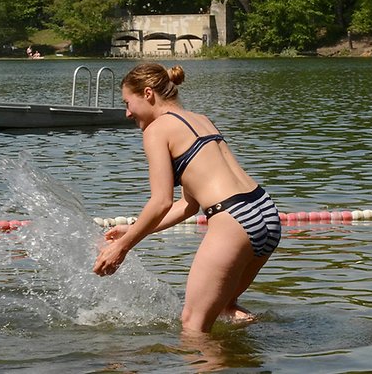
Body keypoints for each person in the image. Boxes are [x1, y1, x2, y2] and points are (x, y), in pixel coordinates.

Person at [92, 63, 281, 335]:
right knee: (226, 307)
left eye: (128, 103)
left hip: (233, 220)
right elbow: (188, 205)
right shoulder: (201, 118)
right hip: (264, 212)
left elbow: (161, 202)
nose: (127, 112)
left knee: (192, 325)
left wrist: (122, 246)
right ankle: (260, 349)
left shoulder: (156, 130)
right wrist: (132, 229)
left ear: (147, 94)